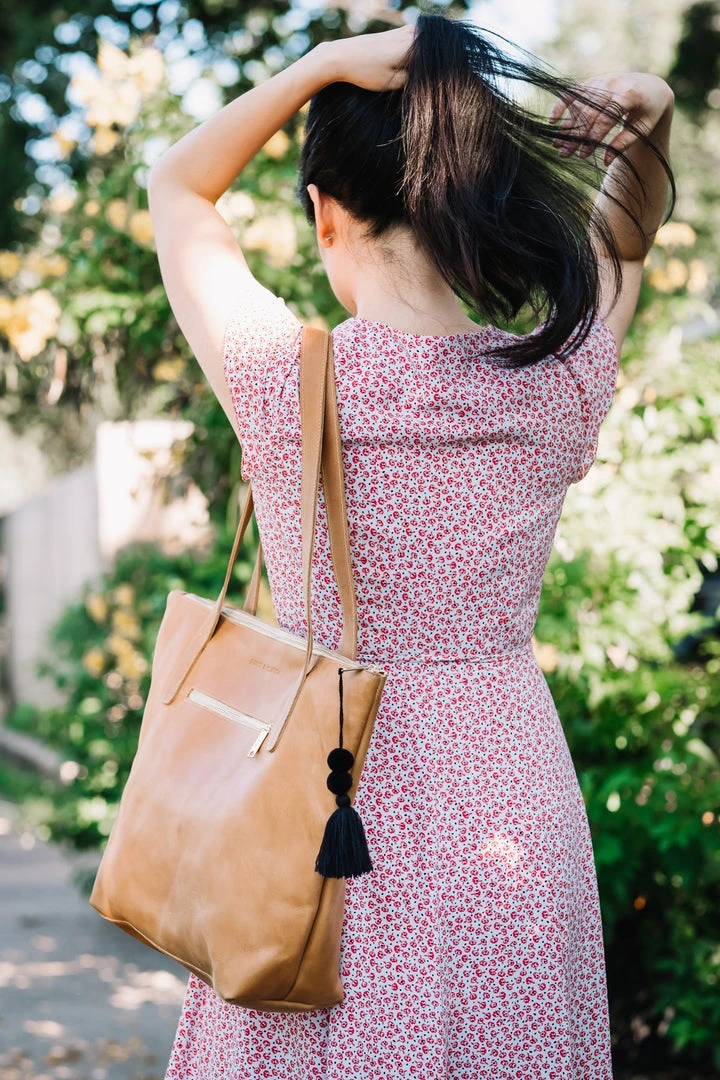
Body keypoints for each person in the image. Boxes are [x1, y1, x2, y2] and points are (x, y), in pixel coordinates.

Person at [147, 11, 675, 1079]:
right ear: (477, 202)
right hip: (508, 803)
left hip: (321, 813)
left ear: (325, 213)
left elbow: (179, 190)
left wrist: (318, 68)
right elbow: (624, 244)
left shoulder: (284, 382)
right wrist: (648, 120)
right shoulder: (556, 384)